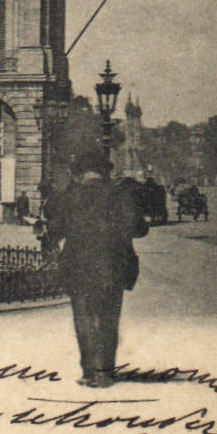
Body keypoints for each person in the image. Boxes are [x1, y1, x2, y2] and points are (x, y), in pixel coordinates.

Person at [50, 149, 147, 388]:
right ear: (105, 172)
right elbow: (140, 229)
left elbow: (55, 231)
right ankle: (105, 373)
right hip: (113, 265)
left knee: (83, 318)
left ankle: (88, 371)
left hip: (78, 266)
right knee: (108, 318)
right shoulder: (121, 195)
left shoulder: (69, 197)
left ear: (81, 173)